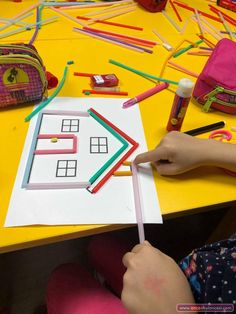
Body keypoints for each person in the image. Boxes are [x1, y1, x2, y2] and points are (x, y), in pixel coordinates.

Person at [46, 131, 236, 314]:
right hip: (199, 276)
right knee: (99, 245)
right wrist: (214, 150)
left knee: (65, 283)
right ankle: (110, 288)